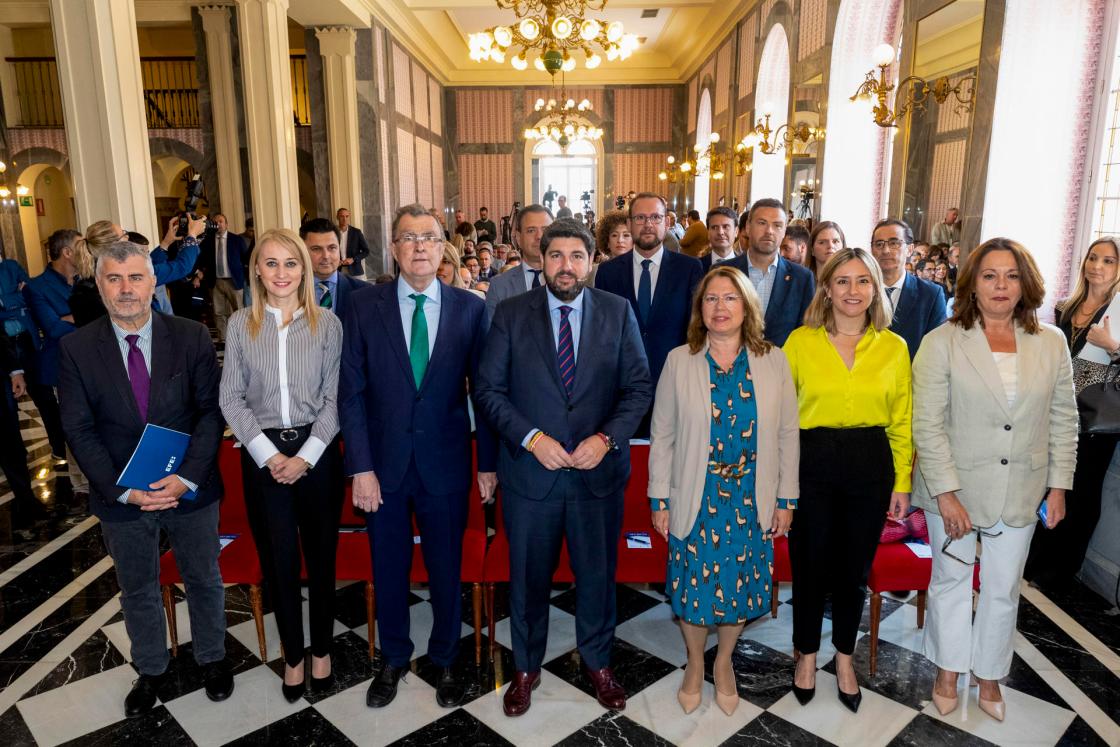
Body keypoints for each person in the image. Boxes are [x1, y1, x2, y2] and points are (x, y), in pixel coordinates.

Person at [477, 219, 651, 718]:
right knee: (528, 579)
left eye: (577, 256)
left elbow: (638, 387)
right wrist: (532, 439)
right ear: (541, 257)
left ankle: (598, 663)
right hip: (532, 478)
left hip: (598, 477)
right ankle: (525, 668)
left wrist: (606, 438)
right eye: (556, 255)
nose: (566, 265)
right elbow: (488, 391)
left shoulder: (617, 312)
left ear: (591, 262)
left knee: (597, 577)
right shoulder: (512, 313)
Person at [58, 240, 232, 716]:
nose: (126, 289)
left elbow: (209, 414)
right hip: (121, 497)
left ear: (154, 281)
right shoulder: (75, 349)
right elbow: (78, 427)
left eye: (136, 277)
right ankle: (151, 669)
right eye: (114, 279)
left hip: (188, 491)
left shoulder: (191, 336)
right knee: (137, 588)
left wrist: (187, 478)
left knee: (203, 578)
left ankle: (212, 658)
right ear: (99, 286)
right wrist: (123, 489)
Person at [911, 237, 1076, 722]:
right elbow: (928, 423)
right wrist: (947, 493)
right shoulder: (942, 341)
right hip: (955, 490)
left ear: (1026, 283)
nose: (1001, 285)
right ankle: (947, 669)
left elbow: (1064, 418)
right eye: (989, 275)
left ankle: (988, 675)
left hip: (1022, 488)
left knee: (1003, 588)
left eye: (1010, 275)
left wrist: (1059, 486)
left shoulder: (1051, 342)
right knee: (951, 582)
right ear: (972, 285)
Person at [339, 204, 497, 709]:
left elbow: (487, 393)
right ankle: (393, 659)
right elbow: (351, 394)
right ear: (395, 247)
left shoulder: (470, 308)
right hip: (381, 468)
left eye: (429, 237)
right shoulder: (364, 307)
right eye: (409, 238)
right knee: (388, 567)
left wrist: (488, 463)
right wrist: (359, 466)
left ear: (443, 244)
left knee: (446, 567)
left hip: (447, 463)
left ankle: (446, 658)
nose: (420, 247)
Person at [648, 266, 799, 716]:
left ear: (747, 305)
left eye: (730, 298)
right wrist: (660, 499)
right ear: (700, 309)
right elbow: (663, 434)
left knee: (737, 591)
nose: (720, 307)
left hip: (752, 497)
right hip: (696, 493)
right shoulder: (680, 360)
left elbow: (788, 433)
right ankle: (696, 663)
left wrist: (786, 499)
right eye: (711, 299)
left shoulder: (774, 359)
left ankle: (726, 662)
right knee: (693, 593)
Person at [782, 248, 912, 713]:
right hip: (810, 460)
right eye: (842, 281)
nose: (852, 291)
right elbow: (782, 418)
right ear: (827, 288)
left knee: (853, 572)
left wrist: (902, 484)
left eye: (862, 281)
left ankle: (843, 658)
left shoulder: (894, 347)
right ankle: (806, 655)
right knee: (810, 565)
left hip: (869, 462)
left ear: (875, 288)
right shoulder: (800, 342)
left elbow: (902, 421)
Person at [219, 228, 344, 702]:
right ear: (256, 271)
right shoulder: (240, 324)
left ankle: (322, 652)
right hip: (263, 456)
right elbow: (230, 398)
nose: (281, 273)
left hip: (317, 452)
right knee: (280, 563)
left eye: (290, 263)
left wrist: (306, 457)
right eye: (270, 263)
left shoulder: (327, 324)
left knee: (321, 558)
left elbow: (335, 398)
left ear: (304, 269)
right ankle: (293, 657)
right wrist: (271, 457)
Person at [1025, 236, 1120, 589]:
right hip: (1059, 407)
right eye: (1093, 258)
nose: (1098, 266)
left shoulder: (1118, 311)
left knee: (1081, 492)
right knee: (1050, 483)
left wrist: (1112, 346)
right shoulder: (1066, 307)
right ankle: (1036, 557)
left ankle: (1061, 568)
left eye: (1109, 261)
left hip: (1098, 416)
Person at [594, 193, 702, 436]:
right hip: (622, 391)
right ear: (630, 224)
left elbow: (695, 330)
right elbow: (601, 334)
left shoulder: (689, 269)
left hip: (674, 387)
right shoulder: (608, 273)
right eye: (640, 217)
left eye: (655, 217)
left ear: (667, 223)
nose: (648, 224)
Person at [25, 228, 88, 504]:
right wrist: (85, 317)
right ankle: (82, 482)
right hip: (62, 364)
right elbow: (52, 327)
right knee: (75, 422)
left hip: (95, 359)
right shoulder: (37, 287)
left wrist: (72, 317)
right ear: (67, 252)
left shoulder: (86, 281)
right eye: (80, 245)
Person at [2, 246, 67, 460]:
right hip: (3, 347)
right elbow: (17, 299)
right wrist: (13, 299)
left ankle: (59, 447)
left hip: (26, 341)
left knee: (44, 396)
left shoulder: (11, 267)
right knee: (8, 405)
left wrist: (6, 303)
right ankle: (15, 455)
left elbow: (27, 294)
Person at [726, 199, 815, 347]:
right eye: (762, 223)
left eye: (777, 225)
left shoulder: (802, 278)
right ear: (748, 227)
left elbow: (806, 333)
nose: (769, 231)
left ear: (784, 231)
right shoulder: (723, 272)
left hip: (782, 366)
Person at [871, 219, 948, 359]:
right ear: (872, 250)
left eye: (894, 243)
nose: (886, 250)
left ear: (910, 249)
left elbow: (937, 350)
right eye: (879, 244)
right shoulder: (860, 291)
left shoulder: (931, 295)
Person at [484, 204, 553, 327]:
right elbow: (492, 338)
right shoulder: (499, 286)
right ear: (518, 238)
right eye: (531, 230)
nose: (539, 237)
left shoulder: (569, 282)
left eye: (545, 230)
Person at [301, 218, 368, 318]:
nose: (326, 256)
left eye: (332, 248)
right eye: (316, 249)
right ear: (303, 252)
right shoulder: (290, 292)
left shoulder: (364, 292)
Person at [197, 213, 249, 341]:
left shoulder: (236, 240)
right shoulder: (207, 241)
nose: (218, 224)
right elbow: (201, 259)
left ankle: (242, 337)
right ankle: (224, 339)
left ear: (226, 224)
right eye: (215, 222)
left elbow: (246, 259)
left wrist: (246, 278)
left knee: (238, 311)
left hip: (234, 280)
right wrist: (199, 272)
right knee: (218, 312)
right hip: (215, 281)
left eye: (221, 221)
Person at [699, 206, 740, 271]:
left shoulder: (747, 265)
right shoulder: (697, 266)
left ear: (736, 231)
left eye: (726, 227)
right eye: (715, 227)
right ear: (708, 233)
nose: (720, 232)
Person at [337, 207, 371, 279]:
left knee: (358, 290)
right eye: (342, 216)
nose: (344, 219)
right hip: (338, 270)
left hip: (355, 270)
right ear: (337, 217)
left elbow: (366, 251)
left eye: (347, 216)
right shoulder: (333, 233)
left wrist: (353, 259)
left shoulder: (356, 232)